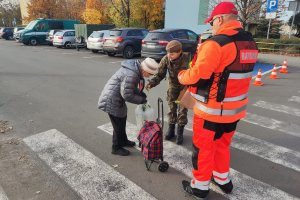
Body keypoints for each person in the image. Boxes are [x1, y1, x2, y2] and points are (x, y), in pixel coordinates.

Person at [178, 2, 258, 198]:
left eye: (212, 21)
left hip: (211, 111)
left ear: (220, 19)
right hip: (235, 110)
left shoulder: (216, 43)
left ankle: (200, 186)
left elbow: (198, 74)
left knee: (203, 149)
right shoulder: (249, 43)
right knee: (222, 146)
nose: (211, 25)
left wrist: (182, 76)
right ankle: (223, 180)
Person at [98, 58, 159, 156]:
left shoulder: (134, 70)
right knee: (118, 125)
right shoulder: (132, 74)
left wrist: (139, 93)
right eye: (150, 74)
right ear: (145, 70)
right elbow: (127, 95)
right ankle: (116, 147)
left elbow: (130, 87)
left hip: (116, 99)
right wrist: (141, 100)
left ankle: (123, 141)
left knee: (122, 120)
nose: (149, 77)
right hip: (112, 100)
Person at [145, 40, 189, 145]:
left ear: (180, 52)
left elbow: (196, 72)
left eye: (172, 54)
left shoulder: (188, 58)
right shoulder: (166, 59)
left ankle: (180, 132)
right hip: (173, 85)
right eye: (168, 53)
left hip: (185, 87)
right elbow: (160, 74)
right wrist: (151, 83)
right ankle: (171, 130)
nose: (170, 56)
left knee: (183, 110)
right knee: (171, 107)